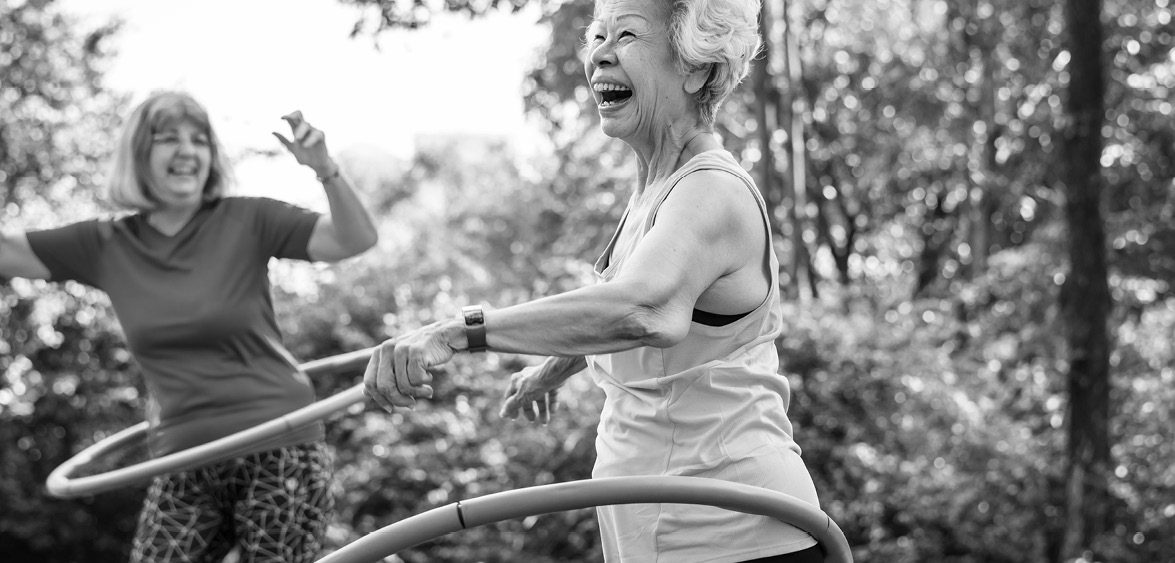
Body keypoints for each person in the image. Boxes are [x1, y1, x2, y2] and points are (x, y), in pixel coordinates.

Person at [363, 0, 825, 561]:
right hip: (652, 527)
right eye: (597, 37)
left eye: (627, 36)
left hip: (738, 531)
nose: (600, 55)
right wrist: (552, 370)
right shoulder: (655, 194)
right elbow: (626, 316)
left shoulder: (712, 192)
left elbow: (643, 310)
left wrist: (460, 331)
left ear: (697, 67)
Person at [0, 91, 379, 563]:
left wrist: (325, 169)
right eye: (168, 138)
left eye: (199, 139)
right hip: (183, 459)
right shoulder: (103, 243)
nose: (187, 151)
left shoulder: (248, 218)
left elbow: (354, 238)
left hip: (280, 447)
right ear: (140, 154)